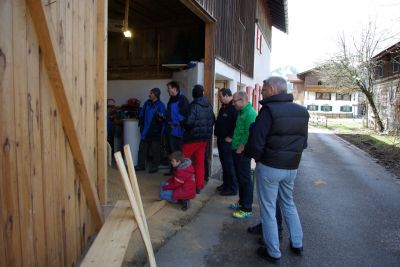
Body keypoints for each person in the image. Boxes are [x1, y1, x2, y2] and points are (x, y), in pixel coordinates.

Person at [244, 76, 309, 263]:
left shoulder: (268, 111)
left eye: (263, 88)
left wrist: (255, 158)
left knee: (268, 209)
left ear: (272, 89)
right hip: (292, 167)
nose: (262, 91)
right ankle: (297, 243)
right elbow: (303, 143)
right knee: (288, 203)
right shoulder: (302, 112)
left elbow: (257, 141)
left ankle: (273, 252)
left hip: (270, 167)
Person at [181, 85, 215, 193]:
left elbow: (188, 123)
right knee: (200, 162)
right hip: (204, 139)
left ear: (193, 94)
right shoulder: (209, 105)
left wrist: (181, 123)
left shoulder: (193, 106)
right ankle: (198, 186)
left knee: (183, 161)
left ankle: (182, 184)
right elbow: (213, 120)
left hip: (192, 139)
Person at [229, 91, 257, 219]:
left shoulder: (250, 113)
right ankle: (241, 202)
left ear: (243, 100)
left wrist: (240, 149)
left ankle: (246, 208)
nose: (233, 103)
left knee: (245, 180)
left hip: (242, 152)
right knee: (241, 178)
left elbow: (248, 134)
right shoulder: (242, 112)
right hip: (237, 150)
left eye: (235, 101)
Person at [214, 88, 238, 196]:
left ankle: (232, 188)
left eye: (220, 96)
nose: (219, 98)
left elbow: (237, 125)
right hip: (221, 139)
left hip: (228, 142)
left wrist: (231, 137)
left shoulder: (233, 108)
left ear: (227, 95)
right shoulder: (223, 108)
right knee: (224, 164)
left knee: (229, 165)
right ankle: (226, 184)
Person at [136, 88, 166, 173]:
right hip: (145, 131)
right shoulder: (146, 103)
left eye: (151, 93)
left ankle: (154, 166)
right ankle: (141, 165)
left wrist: (160, 122)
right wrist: (141, 124)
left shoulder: (161, 105)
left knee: (155, 150)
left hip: (155, 132)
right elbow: (141, 114)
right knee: (142, 149)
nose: (149, 95)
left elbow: (164, 119)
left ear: (155, 95)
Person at [165, 81, 189, 176]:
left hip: (178, 131)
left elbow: (184, 115)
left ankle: (179, 172)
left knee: (177, 152)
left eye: (169, 88)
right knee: (171, 151)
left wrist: (174, 123)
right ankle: (173, 171)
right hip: (170, 130)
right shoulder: (171, 99)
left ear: (175, 89)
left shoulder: (182, 99)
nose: (168, 90)